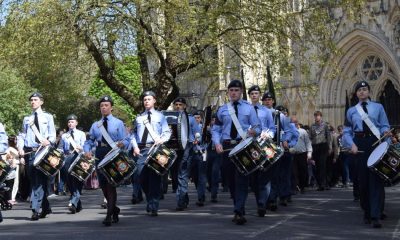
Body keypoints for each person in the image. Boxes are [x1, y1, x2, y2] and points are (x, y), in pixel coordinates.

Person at [212, 79, 261, 225]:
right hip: (227, 147)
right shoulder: (222, 109)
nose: (233, 93)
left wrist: (254, 131)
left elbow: (258, 127)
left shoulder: (249, 108)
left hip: (243, 146)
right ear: (228, 93)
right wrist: (217, 143)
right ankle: (238, 205)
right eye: (231, 90)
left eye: (236, 90)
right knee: (231, 181)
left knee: (242, 179)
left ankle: (239, 211)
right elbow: (216, 129)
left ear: (241, 92)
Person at [342, 80, 391, 228]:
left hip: (375, 143)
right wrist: (352, 144)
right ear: (356, 93)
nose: (362, 92)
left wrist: (385, 134)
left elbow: (384, 125)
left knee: (375, 180)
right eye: (359, 90)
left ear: (369, 91)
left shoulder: (378, 107)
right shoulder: (351, 111)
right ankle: (367, 212)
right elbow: (346, 131)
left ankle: (375, 215)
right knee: (362, 181)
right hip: (360, 143)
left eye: (364, 89)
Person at [83, 95, 129, 226]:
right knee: (103, 184)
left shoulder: (118, 123)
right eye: (102, 106)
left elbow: (126, 139)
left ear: (111, 107)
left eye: (106, 105)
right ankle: (114, 209)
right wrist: (87, 150)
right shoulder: (95, 125)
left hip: (113, 154)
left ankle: (109, 215)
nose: (104, 108)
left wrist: (122, 144)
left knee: (111, 184)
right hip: (100, 153)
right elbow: (89, 141)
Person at [130, 91, 171, 216]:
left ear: (154, 101)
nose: (146, 101)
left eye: (149, 99)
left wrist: (161, 139)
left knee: (154, 178)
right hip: (141, 150)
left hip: (155, 150)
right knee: (140, 177)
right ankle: (149, 198)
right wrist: (135, 147)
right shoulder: (139, 118)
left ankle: (153, 205)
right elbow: (132, 134)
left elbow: (167, 132)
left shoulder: (160, 116)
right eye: (144, 99)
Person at [17, 92, 56, 221]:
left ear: (41, 102)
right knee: (35, 181)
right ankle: (45, 207)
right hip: (30, 152)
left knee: (40, 181)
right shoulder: (26, 119)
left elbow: (52, 134)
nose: (33, 102)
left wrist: (48, 141)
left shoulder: (48, 117)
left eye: (35, 99)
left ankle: (35, 209)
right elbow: (22, 135)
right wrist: (20, 148)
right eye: (31, 100)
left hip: (43, 152)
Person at [247, 85, 275, 217]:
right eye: (252, 93)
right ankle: (260, 200)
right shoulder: (245, 110)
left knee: (264, 175)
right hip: (250, 145)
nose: (254, 95)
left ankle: (262, 203)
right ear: (249, 95)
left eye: (256, 93)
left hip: (264, 145)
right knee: (253, 177)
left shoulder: (266, 111)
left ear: (259, 95)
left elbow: (272, 128)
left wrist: (267, 134)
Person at [172, 97, 201, 211]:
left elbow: (198, 133)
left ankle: (181, 201)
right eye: (176, 104)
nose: (178, 106)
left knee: (182, 175)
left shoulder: (191, 119)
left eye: (180, 104)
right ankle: (184, 197)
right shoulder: (170, 118)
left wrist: (196, 139)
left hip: (187, 147)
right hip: (174, 149)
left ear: (184, 106)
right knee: (176, 175)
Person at [58, 114, 86, 214]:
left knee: (78, 181)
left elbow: (85, 146)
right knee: (69, 182)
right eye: (69, 122)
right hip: (67, 159)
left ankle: (73, 203)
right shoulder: (64, 135)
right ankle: (77, 205)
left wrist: (81, 148)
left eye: (72, 122)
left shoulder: (81, 134)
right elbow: (60, 148)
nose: (70, 123)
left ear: (76, 123)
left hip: (78, 159)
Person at [310, 111, 332, 191]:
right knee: (317, 166)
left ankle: (325, 183)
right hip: (315, 146)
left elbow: (328, 137)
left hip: (323, 146)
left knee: (323, 165)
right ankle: (320, 184)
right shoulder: (312, 126)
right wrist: (310, 149)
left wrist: (329, 148)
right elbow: (310, 137)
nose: (317, 117)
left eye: (318, 116)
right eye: (315, 116)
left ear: (321, 117)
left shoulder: (325, 125)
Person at [290, 120, 312, 194]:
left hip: (302, 154)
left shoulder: (303, 131)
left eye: (296, 122)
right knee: (294, 172)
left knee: (303, 171)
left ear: (298, 123)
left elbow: (308, 142)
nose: (294, 124)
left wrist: (309, 153)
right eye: (293, 123)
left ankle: (302, 187)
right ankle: (295, 187)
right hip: (293, 154)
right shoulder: (289, 131)